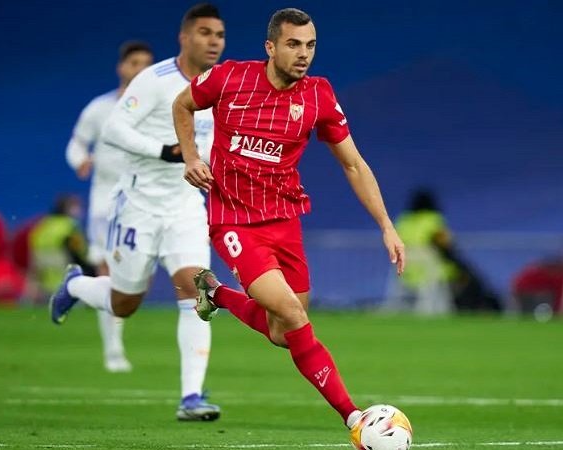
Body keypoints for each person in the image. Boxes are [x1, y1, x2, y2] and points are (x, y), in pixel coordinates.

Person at [172, 8, 406, 429]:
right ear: (271, 47)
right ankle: (354, 417)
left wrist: (386, 225)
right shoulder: (230, 78)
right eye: (294, 44)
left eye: (310, 45)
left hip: (285, 220)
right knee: (296, 320)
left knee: (284, 332)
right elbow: (183, 103)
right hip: (234, 221)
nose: (304, 54)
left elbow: (353, 164)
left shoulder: (318, 94)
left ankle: (216, 293)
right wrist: (191, 156)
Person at [50, 3, 226, 421]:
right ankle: (76, 286)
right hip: (138, 206)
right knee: (125, 303)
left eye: (219, 34)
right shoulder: (155, 80)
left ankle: (191, 397)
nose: (214, 41)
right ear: (184, 38)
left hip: (185, 206)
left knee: (198, 291)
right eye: (204, 33)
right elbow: (113, 130)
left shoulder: (224, 84)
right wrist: (165, 151)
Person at [65, 40, 154, 373]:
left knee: (136, 280)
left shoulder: (159, 107)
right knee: (110, 270)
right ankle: (114, 350)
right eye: (134, 63)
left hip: (145, 200)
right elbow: (76, 142)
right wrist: (80, 161)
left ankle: (77, 286)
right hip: (106, 201)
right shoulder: (100, 108)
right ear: (122, 67)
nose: (140, 69)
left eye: (147, 63)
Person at [396, 188, 501, 313]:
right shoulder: (432, 220)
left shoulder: (403, 222)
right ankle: (473, 309)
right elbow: (447, 246)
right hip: (433, 272)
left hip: (405, 272)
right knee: (471, 278)